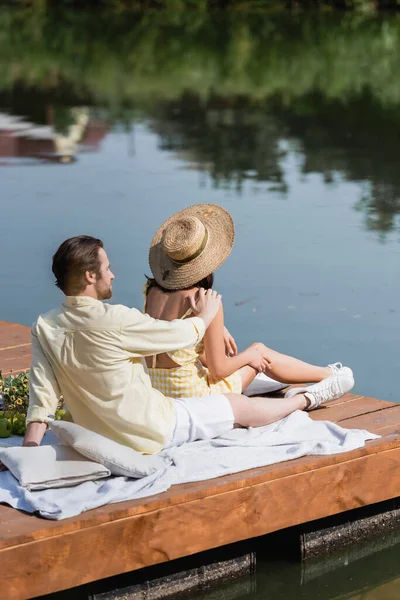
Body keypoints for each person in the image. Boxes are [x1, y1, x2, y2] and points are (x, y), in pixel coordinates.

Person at [17, 234, 353, 460]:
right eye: (107, 268)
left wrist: (30, 452)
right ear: (90, 276)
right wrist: (206, 316)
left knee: (238, 382)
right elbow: (176, 337)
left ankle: (301, 384)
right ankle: (306, 398)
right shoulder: (115, 319)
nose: (113, 275)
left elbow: (42, 397)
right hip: (149, 429)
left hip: (100, 430)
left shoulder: (45, 326)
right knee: (235, 406)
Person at [145, 203, 353, 400]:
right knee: (258, 350)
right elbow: (218, 371)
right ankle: (328, 376)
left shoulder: (151, 292)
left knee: (200, 355)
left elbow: (179, 336)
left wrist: (218, 327)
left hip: (159, 389)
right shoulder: (205, 300)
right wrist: (249, 357)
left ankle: (321, 375)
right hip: (196, 397)